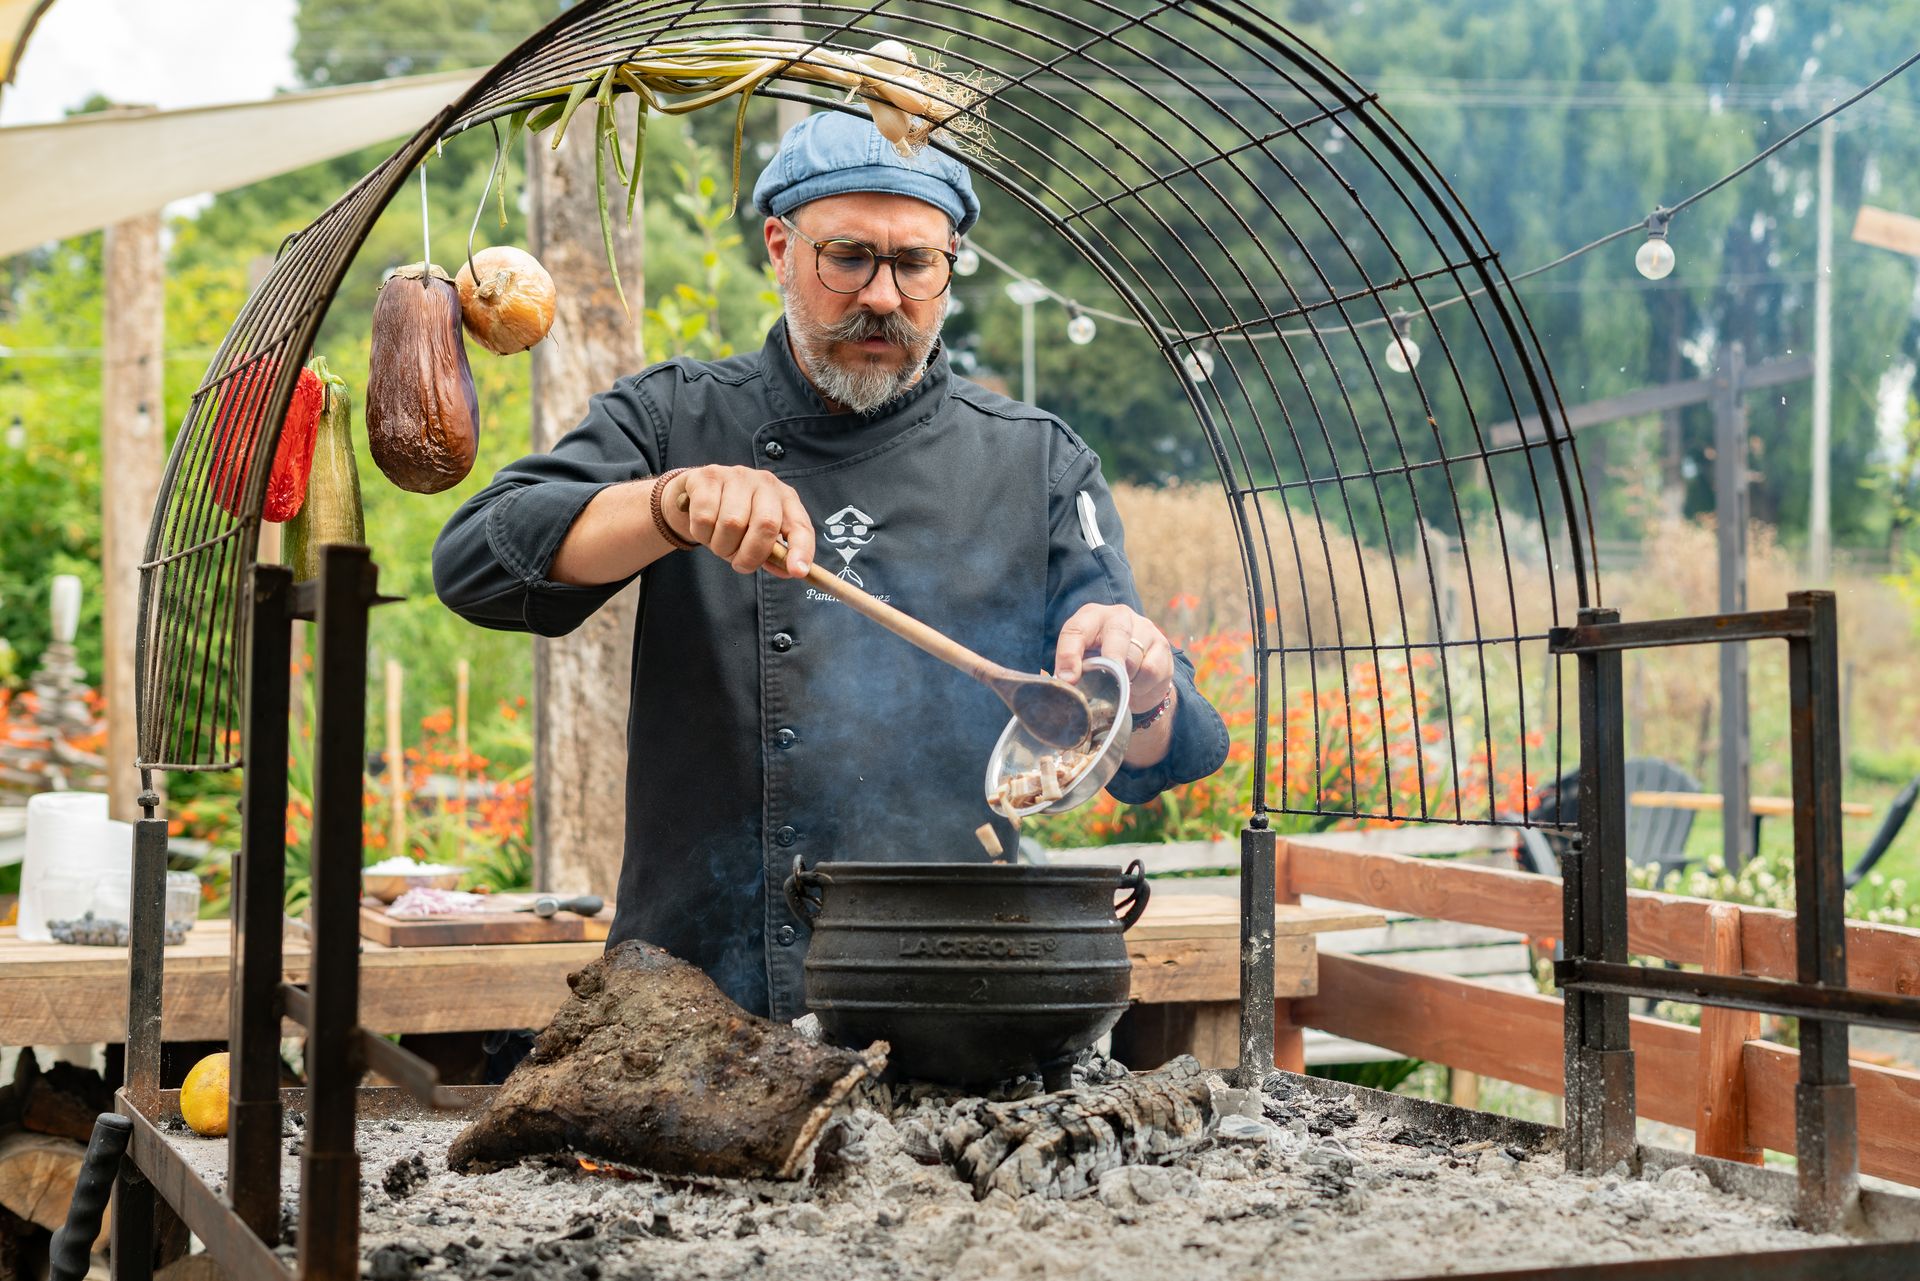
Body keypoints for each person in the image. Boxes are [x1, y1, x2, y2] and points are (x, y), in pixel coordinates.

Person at [433, 111, 1229, 1020]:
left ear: (950, 265)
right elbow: (477, 565)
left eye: (916, 263)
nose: (883, 295)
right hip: (691, 1003)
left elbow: (1153, 756)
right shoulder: (672, 419)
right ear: (780, 247)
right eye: (848, 256)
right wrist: (668, 504)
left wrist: (1146, 682)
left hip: (954, 999)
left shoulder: (1034, 462)